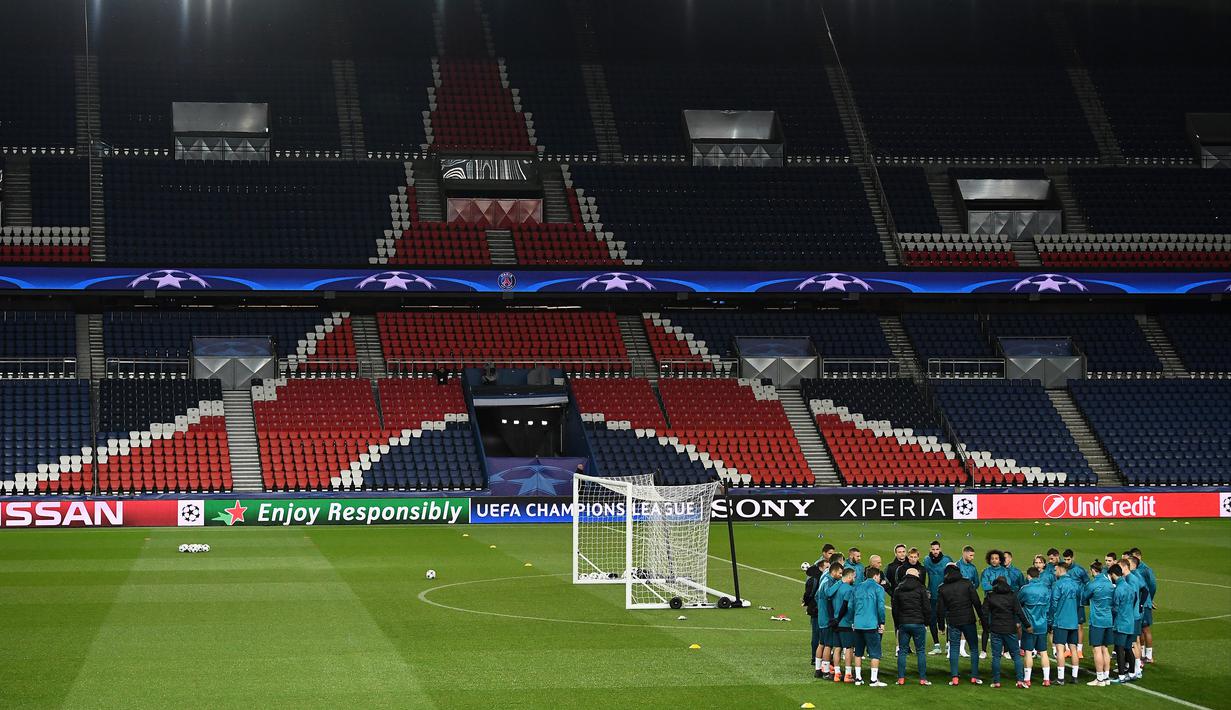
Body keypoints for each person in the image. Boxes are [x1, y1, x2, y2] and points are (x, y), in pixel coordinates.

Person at [936, 564, 983, 685]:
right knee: (973, 648)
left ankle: (955, 678)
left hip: (953, 621)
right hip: (968, 620)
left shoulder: (942, 588)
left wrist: (941, 626)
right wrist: (982, 618)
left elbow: (940, 609)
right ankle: (974, 676)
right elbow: (976, 601)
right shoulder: (967, 583)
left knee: (954, 648)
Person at [983, 576, 1031, 688]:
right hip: (1010, 629)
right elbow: (1019, 612)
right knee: (1016, 655)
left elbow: (984, 612)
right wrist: (1027, 625)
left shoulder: (990, 596)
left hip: (996, 629)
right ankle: (1020, 680)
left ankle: (996, 681)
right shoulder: (1012, 596)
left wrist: (987, 626)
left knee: (996, 656)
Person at [892, 568, 931, 685]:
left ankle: (901, 679)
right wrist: (926, 623)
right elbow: (927, 607)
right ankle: (923, 679)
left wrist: (898, 624)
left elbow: (895, 609)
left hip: (903, 624)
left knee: (902, 651)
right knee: (921, 651)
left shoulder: (898, 589)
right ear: (916, 575)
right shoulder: (921, 588)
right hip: (918, 623)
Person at [1018, 566, 1053, 687]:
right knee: (1043, 652)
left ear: (1028, 576)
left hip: (1029, 626)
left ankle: (1027, 679)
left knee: (1028, 652)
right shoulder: (1046, 589)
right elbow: (1049, 606)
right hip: (1042, 625)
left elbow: (1018, 603)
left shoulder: (1025, 589)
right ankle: (1046, 679)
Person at [1081, 560, 1115, 686]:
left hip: (1097, 621)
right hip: (1108, 620)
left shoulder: (1093, 584)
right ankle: (1106, 677)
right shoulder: (1109, 584)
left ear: (1093, 571)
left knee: (1097, 649)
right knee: (1105, 648)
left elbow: (1084, 598)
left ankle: (1100, 679)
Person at [852, 567, 888, 687]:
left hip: (858, 624)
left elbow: (851, 606)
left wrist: (853, 620)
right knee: (875, 653)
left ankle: (858, 678)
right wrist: (882, 622)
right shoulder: (879, 588)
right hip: (871, 625)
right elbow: (881, 607)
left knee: (858, 652)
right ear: (876, 576)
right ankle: (873, 680)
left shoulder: (857, 587)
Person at [1049, 562, 1080, 684]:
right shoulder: (1075, 584)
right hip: (1073, 621)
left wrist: (1051, 619)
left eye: (1055, 570)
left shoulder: (1058, 584)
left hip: (1061, 621)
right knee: (1073, 649)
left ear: (1061, 569)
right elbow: (1079, 601)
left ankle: (1061, 678)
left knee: (1060, 649)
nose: (1054, 572)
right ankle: (1075, 677)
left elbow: (1054, 603)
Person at [1109, 563, 1141, 684]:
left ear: (1113, 575)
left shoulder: (1118, 589)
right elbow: (1135, 600)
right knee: (1128, 648)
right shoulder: (1130, 587)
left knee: (1120, 649)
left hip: (1121, 623)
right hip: (1130, 622)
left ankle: (1121, 676)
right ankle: (1132, 673)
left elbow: (1115, 608)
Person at [814, 561, 844, 679]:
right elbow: (827, 593)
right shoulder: (828, 581)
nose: (841, 575)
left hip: (822, 617)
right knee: (828, 645)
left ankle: (818, 670)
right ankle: (826, 671)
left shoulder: (825, 579)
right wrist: (841, 582)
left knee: (821, 643)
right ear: (834, 572)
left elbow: (817, 596)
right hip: (827, 619)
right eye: (840, 573)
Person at [827, 568, 858, 683]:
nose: (855, 579)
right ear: (849, 577)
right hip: (845, 622)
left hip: (835, 622)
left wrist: (833, 619)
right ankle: (848, 675)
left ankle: (837, 673)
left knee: (837, 648)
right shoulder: (849, 589)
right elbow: (847, 607)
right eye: (854, 576)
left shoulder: (836, 588)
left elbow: (829, 602)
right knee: (848, 648)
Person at [922, 541, 953, 655]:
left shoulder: (947, 560)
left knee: (948, 619)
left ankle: (948, 644)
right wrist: (926, 589)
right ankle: (936, 645)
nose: (935, 551)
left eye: (937, 549)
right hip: (933, 595)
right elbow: (923, 575)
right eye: (933, 549)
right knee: (932, 620)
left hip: (945, 595)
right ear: (930, 550)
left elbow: (952, 575)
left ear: (940, 549)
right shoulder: (926, 560)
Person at [1131, 547, 1157, 664]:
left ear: (1139, 557)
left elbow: (1152, 586)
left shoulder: (1145, 570)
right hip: (1137, 603)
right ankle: (1140, 655)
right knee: (1139, 630)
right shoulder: (1134, 570)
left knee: (1145, 629)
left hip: (1144, 603)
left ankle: (1149, 655)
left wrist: (1150, 599)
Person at [978, 549, 1003, 658]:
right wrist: (999, 587)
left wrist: (992, 587)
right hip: (988, 601)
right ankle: (983, 651)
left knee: (1001, 625)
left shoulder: (1004, 571)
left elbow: (1008, 584)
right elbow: (985, 586)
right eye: (992, 558)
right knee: (986, 626)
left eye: (996, 558)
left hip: (1001, 601)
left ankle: (1004, 651)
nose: (994, 560)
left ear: (1000, 560)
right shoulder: (986, 571)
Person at [1063, 549, 1089, 658]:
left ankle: (1079, 650)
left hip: (1078, 602)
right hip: (1065, 602)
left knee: (1079, 625)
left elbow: (1087, 583)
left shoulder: (1079, 570)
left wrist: (1083, 596)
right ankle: (1067, 649)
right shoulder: (1062, 569)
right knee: (1065, 625)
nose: (1066, 561)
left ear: (1073, 558)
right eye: (1065, 559)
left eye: (1068, 559)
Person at [803, 562, 823, 669]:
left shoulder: (821, 578)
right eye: (826, 567)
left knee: (819, 635)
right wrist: (807, 603)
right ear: (820, 567)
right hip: (816, 610)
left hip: (818, 610)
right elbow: (809, 594)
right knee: (817, 634)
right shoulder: (816, 579)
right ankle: (815, 658)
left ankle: (819, 658)